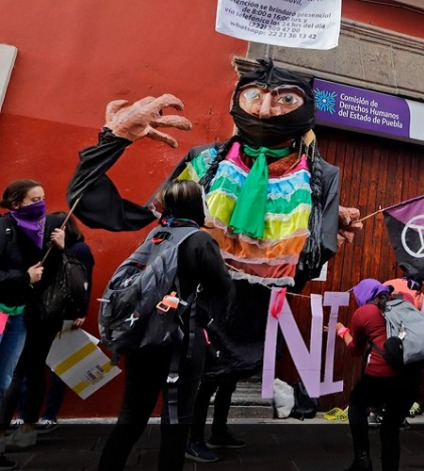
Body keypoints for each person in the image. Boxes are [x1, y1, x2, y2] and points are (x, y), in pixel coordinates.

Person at [66, 60, 360, 462]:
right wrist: (112, 139)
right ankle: (189, 441)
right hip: (189, 312)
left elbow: (316, 250)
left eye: (284, 100)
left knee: (189, 395)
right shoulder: (206, 162)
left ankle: (205, 434)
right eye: (255, 97)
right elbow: (117, 214)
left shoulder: (319, 175)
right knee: (177, 407)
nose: (265, 110)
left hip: (254, 309)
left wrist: (319, 223)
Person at [97, 180, 233, 471]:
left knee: (131, 418)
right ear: (197, 205)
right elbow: (223, 289)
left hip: (142, 336)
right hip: (182, 343)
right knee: (177, 421)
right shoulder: (200, 240)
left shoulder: (156, 235)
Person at [0, 181, 68, 459]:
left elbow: (48, 278)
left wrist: (59, 251)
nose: (40, 204)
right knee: (9, 375)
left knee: (23, 371)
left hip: (33, 312)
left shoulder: (41, 231)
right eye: (33, 199)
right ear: (16, 203)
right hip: (8, 311)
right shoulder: (5, 229)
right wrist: (23, 277)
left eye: (43, 198)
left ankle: (23, 429)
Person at [14, 213, 94, 434]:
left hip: (63, 314)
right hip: (42, 313)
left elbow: (83, 281)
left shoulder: (78, 250)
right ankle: (25, 415)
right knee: (28, 367)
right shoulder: (42, 249)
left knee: (59, 367)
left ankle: (49, 414)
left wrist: (81, 310)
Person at [336, 279, 420, 471]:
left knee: (356, 405)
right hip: (409, 377)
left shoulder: (364, 312)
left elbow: (355, 350)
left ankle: (362, 458)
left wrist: (341, 331)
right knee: (390, 431)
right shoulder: (404, 303)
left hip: (381, 375)